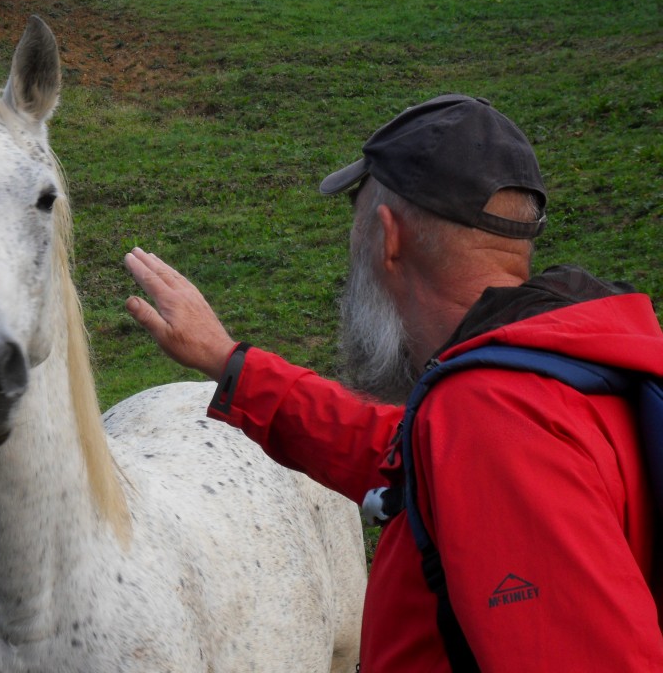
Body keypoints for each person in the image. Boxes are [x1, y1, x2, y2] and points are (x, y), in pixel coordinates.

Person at [123, 94, 663, 671]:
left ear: (387, 236)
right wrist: (228, 361)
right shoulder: (566, 369)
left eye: (354, 220)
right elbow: (402, 451)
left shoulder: (493, 421)